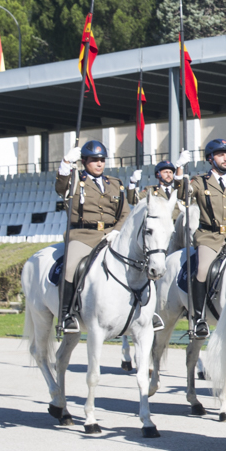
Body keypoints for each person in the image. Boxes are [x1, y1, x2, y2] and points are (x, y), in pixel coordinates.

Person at [53, 139, 130, 336]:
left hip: (111, 236)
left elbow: (125, 214)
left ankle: (144, 311)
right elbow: (60, 187)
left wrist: (117, 231)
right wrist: (65, 164)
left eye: (102, 160)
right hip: (83, 236)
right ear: (84, 161)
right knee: (70, 268)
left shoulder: (115, 184)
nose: (99, 164)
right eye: (94, 160)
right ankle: (66, 315)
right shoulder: (75, 181)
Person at [184, 138, 226, 340]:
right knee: (203, 269)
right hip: (210, 237)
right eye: (221, 155)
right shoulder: (200, 182)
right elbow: (184, 195)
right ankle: (198, 318)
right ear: (210, 158)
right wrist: (180, 173)